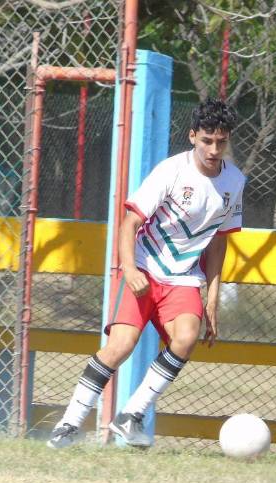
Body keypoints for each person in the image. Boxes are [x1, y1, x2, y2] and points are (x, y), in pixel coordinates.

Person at [48, 98, 245, 448]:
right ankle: (68, 425)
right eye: (207, 141)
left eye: (221, 141)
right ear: (192, 137)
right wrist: (129, 268)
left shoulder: (234, 182)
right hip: (145, 269)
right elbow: (131, 222)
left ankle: (130, 415)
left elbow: (218, 241)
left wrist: (212, 299)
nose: (214, 149)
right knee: (120, 347)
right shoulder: (171, 171)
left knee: (186, 337)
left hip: (183, 278)